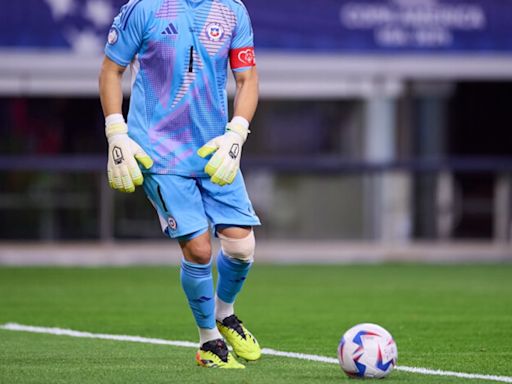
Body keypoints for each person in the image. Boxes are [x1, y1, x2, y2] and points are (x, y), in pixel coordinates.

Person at [99, 0, 261, 369]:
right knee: (200, 251)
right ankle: (209, 342)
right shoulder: (144, 8)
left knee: (241, 246)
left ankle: (225, 313)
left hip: (213, 148)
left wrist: (236, 134)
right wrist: (116, 132)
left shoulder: (232, 10)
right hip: (160, 153)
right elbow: (111, 70)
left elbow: (247, 78)